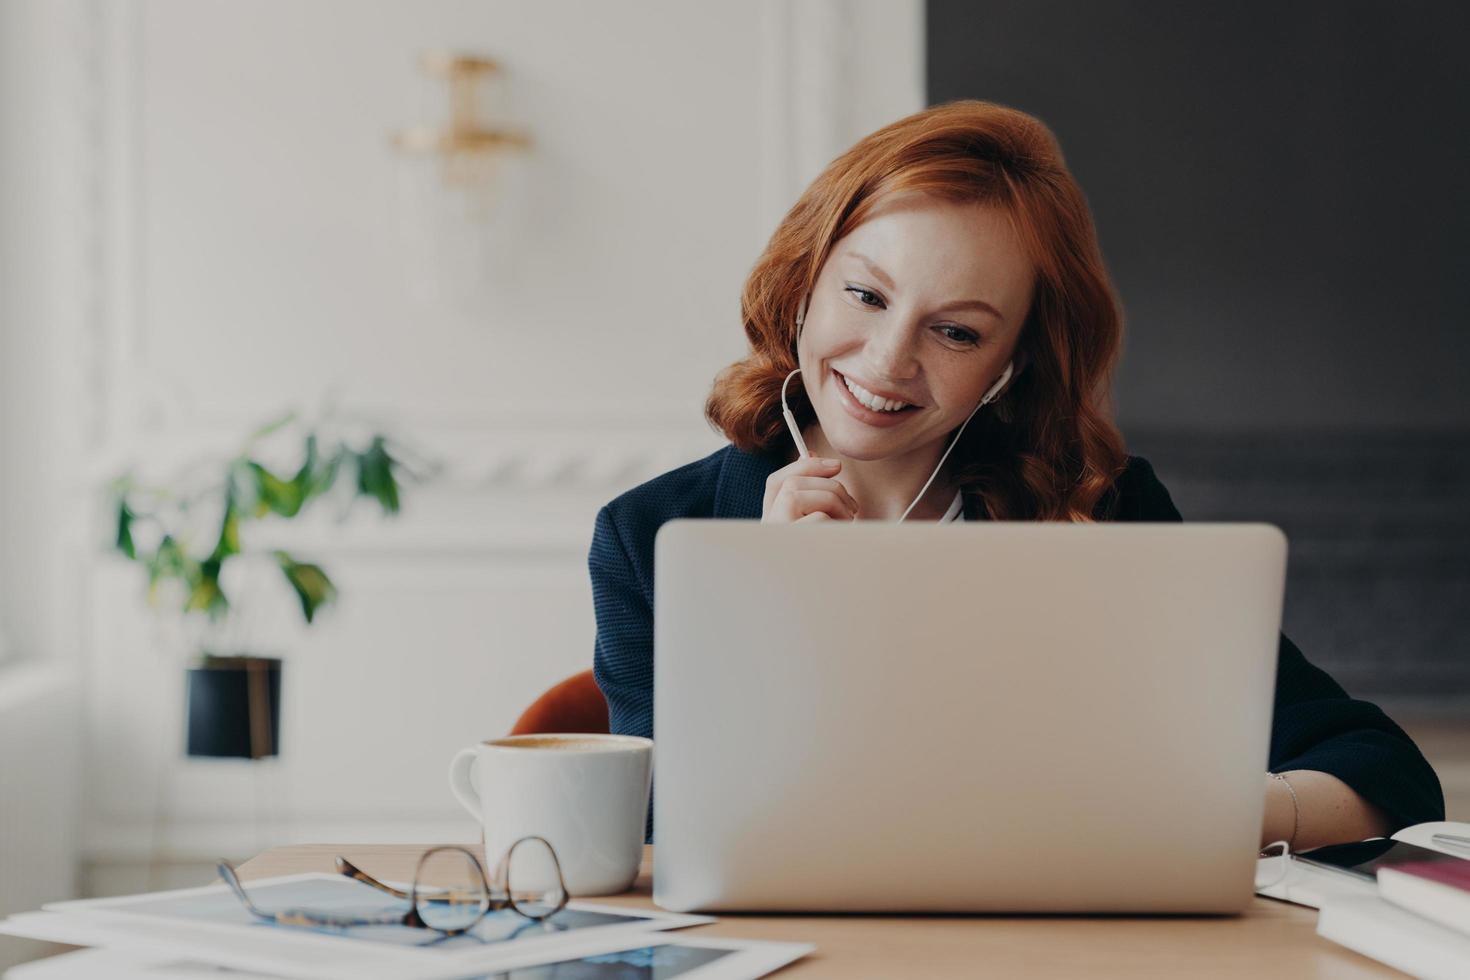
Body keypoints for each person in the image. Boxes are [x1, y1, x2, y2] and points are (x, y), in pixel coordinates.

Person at [589, 100, 1444, 848]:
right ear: (804, 280)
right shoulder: (647, 536)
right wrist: (769, 613)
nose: (887, 362)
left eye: (957, 332)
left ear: (1013, 362)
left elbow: (1386, 774)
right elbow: (666, 825)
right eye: (867, 295)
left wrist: (1215, 814)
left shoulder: (1108, 513)